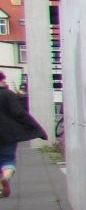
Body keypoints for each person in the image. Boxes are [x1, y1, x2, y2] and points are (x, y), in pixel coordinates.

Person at [0, 71, 50, 199]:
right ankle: (5, 177)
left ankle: (1, 187)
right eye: (3, 80)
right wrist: (35, 127)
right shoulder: (7, 94)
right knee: (8, 159)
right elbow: (19, 113)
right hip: (8, 134)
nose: (4, 82)